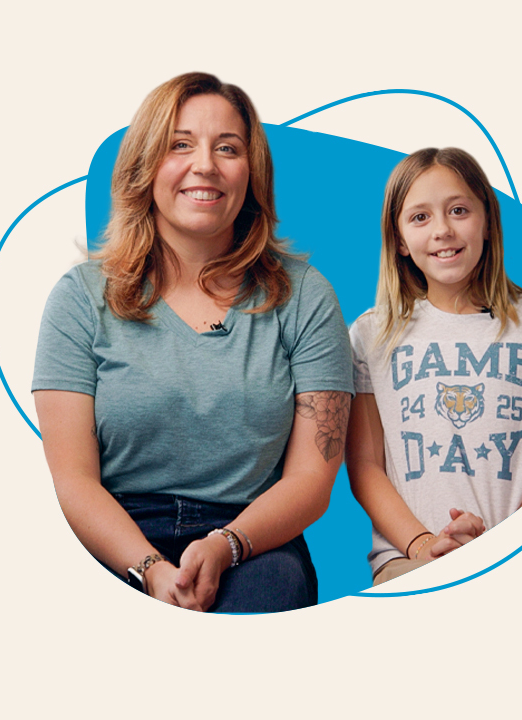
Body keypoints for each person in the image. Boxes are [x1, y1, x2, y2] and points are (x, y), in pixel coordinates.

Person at [32, 72, 354, 613]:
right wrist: (149, 569)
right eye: (180, 145)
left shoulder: (307, 297)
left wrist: (226, 545)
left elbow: (310, 481)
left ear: (251, 174)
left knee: (274, 593)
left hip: (252, 539)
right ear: (145, 167)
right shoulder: (79, 299)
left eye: (227, 148)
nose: (205, 164)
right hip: (119, 535)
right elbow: (74, 481)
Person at [346, 147, 522, 585]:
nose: (443, 230)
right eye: (420, 217)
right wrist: (425, 546)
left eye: (459, 210)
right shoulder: (371, 334)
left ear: (487, 221)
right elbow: (365, 466)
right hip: (409, 558)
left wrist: (511, 545)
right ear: (400, 241)